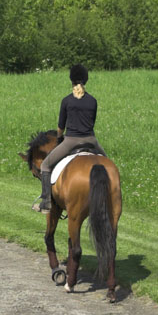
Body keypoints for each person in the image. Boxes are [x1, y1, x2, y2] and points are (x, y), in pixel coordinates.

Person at [37, 64, 107, 213]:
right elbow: (92, 122)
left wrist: (60, 138)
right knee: (108, 164)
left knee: (45, 166)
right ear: (85, 81)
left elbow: (60, 126)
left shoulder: (67, 101)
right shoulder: (93, 101)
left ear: (71, 81)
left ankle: (46, 202)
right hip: (91, 140)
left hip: (71, 141)